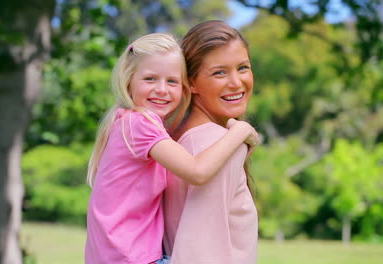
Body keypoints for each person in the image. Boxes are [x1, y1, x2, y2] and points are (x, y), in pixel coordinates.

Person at [84, 32, 259, 264]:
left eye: (172, 81)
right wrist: (240, 131)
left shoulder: (136, 125)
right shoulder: (139, 123)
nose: (162, 89)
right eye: (150, 79)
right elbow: (198, 172)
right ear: (128, 81)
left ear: (184, 86)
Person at [163, 20, 259, 264]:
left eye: (243, 68)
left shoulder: (176, 139)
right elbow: (199, 252)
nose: (236, 82)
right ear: (191, 82)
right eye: (219, 72)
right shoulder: (216, 146)